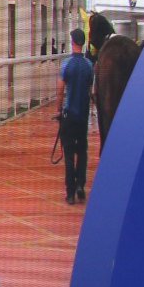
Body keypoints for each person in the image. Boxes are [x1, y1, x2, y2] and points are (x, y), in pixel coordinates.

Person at [56, 26, 95, 204]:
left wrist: (58, 110)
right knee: (83, 151)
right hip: (83, 115)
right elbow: (89, 89)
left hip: (69, 115)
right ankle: (81, 185)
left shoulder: (66, 64)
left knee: (69, 153)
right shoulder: (89, 65)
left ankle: (70, 192)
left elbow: (60, 89)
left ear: (73, 43)